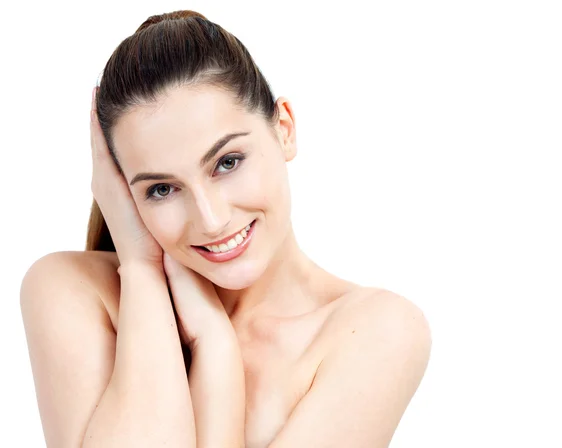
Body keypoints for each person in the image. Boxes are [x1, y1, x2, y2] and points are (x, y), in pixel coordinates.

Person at [20, 9, 432, 448]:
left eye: (227, 162)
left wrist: (216, 353)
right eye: (161, 189)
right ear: (121, 194)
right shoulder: (71, 291)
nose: (212, 219)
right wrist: (141, 270)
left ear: (285, 129)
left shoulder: (376, 331)